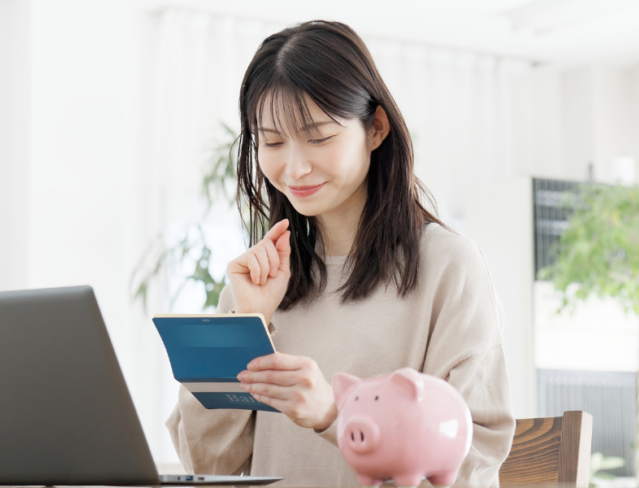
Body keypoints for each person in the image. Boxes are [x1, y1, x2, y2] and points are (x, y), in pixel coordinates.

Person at [166, 20, 515, 488]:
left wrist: (335, 416)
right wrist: (243, 327)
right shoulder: (262, 281)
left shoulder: (449, 267)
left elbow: (466, 467)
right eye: (271, 142)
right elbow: (207, 466)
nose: (294, 166)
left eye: (319, 136)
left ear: (376, 128)